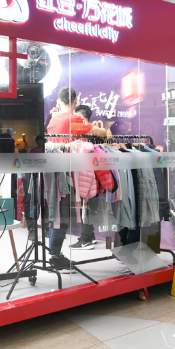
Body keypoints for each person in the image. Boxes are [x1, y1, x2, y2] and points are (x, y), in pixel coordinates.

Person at [45, 88, 107, 271]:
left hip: (53, 171)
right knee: (64, 215)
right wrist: (91, 126)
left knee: (58, 213)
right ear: (75, 101)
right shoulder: (75, 120)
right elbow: (102, 133)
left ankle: (55, 253)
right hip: (70, 173)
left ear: (58, 101)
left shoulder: (53, 119)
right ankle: (55, 256)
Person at [70, 104, 99, 250]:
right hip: (92, 175)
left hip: (88, 175)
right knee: (87, 206)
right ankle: (89, 236)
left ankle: (86, 238)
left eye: (76, 116)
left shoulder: (86, 133)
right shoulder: (90, 133)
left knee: (86, 206)